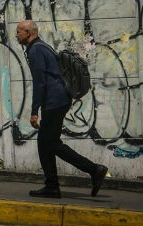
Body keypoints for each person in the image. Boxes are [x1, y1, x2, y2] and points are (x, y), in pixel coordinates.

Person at [15, 19, 109, 198]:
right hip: (58, 99)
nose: (16, 34)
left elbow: (40, 83)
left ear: (29, 33)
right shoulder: (42, 47)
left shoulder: (36, 50)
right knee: (45, 145)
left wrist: (34, 112)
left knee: (51, 144)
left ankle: (94, 169)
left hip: (54, 101)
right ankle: (52, 186)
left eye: (19, 31)